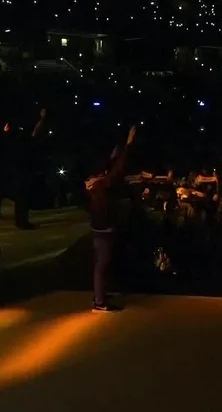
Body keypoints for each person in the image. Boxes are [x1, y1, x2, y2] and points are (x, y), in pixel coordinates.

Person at [86, 125, 136, 312]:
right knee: (103, 263)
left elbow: (114, 166)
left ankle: (99, 295)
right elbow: (119, 169)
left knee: (101, 262)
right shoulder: (103, 183)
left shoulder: (94, 181)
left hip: (98, 225)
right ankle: (99, 302)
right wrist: (129, 145)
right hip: (104, 226)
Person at [12, 108, 46, 229]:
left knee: (20, 198)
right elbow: (36, 132)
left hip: (18, 172)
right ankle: (23, 222)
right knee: (23, 198)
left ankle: (19, 221)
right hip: (23, 172)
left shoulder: (16, 142)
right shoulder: (25, 142)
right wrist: (42, 118)